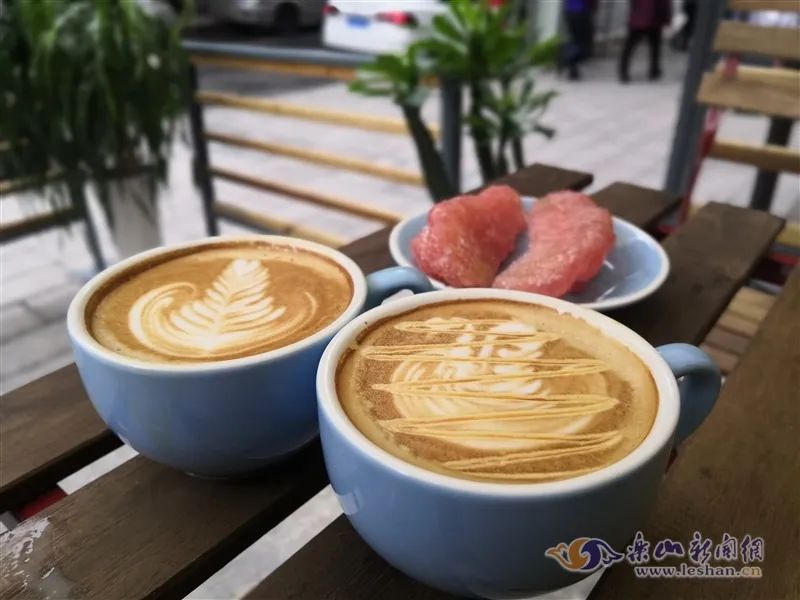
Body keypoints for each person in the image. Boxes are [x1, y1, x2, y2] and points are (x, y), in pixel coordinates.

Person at [619, 0, 672, 83]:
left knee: (629, 47)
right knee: (655, 48)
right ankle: (654, 70)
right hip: (654, 20)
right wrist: (667, 19)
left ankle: (623, 71)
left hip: (638, 19)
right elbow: (664, 4)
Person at [562, 0, 598, 81]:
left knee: (575, 39)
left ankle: (571, 64)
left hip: (570, 11)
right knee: (582, 41)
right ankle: (569, 61)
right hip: (581, 12)